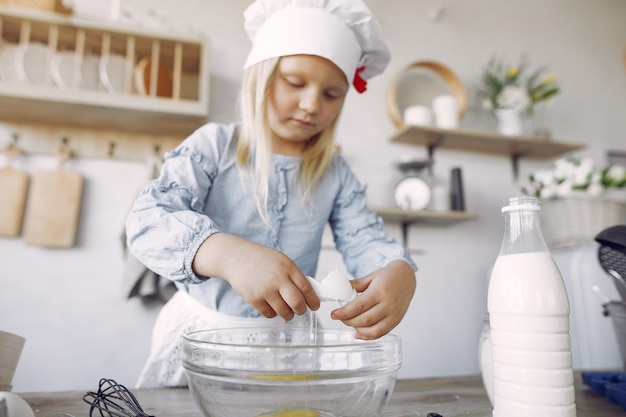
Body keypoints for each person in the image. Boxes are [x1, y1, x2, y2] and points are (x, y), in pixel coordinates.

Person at [125, 0, 417, 388]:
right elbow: (147, 220)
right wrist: (226, 254)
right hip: (200, 343)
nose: (312, 104)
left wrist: (398, 272)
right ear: (261, 77)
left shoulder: (335, 174)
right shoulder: (214, 147)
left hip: (288, 350)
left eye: (332, 94)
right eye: (295, 83)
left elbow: (365, 239)